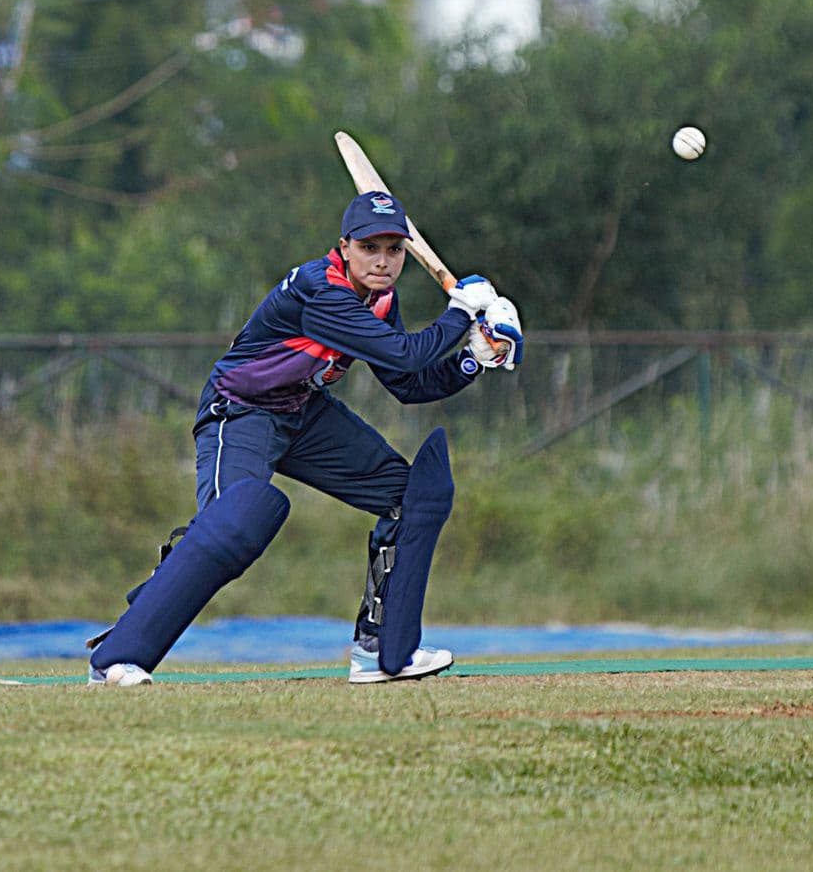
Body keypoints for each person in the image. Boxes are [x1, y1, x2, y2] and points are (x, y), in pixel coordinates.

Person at [88, 191, 523, 686]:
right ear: (344, 246)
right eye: (369, 248)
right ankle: (118, 656)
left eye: (394, 250)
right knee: (233, 524)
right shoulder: (323, 292)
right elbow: (405, 354)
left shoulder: (381, 299)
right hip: (241, 410)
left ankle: (379, 648)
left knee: (406, 495)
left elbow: (408, 384)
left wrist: (474, 359)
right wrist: (462, 312)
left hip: (304, 412)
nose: (382, 262)